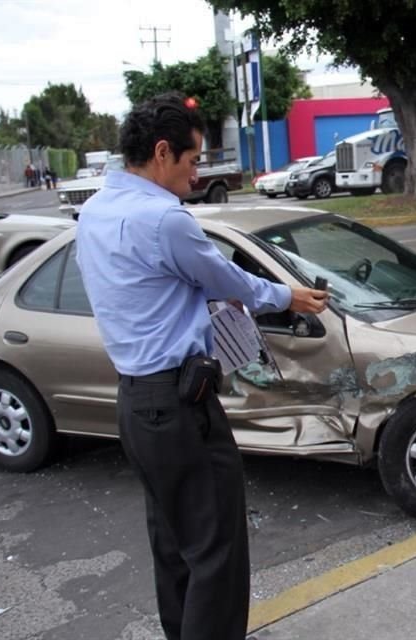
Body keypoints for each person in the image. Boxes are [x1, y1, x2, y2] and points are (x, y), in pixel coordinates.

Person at [75, 92, 328, 640]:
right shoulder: (165, 219)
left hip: (137, 405)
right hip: (180, 407)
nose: (197, 175)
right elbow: (228, 281)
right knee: (216, 552)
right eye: (192, 161)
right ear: (162, 153)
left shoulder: (94, 210)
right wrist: (288, 296)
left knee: (174, 544)